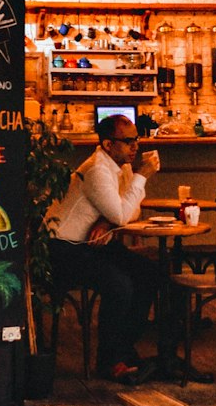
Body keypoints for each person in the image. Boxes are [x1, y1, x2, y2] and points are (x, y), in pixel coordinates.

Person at [49, 113, 160, 385]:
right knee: (119, 285)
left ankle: (123, 349)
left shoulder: (119, 166)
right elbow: (124, 214)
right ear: (109, 145)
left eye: (137, 139)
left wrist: (105, 218)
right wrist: (142, 177)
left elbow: (132, 211)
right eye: (128, 141)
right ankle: (108, 361)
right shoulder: (98, 169)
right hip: (65, 248)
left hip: (91, 245)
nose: (136, 146)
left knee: (149, 273)